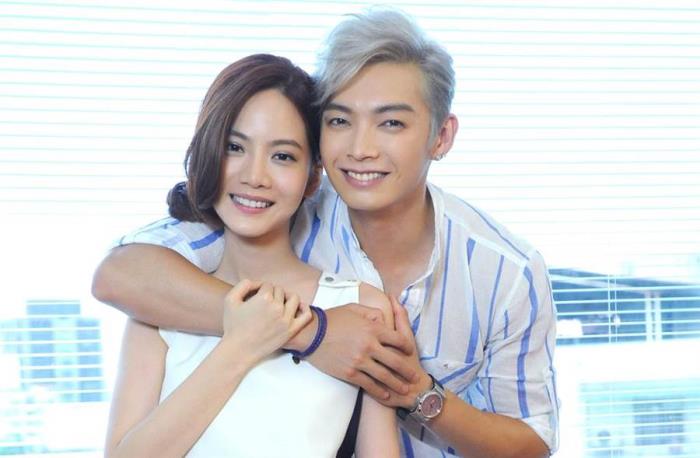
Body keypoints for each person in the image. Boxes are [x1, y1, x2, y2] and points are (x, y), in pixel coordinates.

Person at [94, 9, 559, 457]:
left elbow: (531, 440)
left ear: (441, 136)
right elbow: (122, 273)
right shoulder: (262, 213)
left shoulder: (505, 273)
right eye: (339, 121)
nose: (360, 148)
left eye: (391, 123)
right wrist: (309, 331)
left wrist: (415, 390)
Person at [102, 54, 400, 457]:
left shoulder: (361, 308)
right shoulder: (157, 306)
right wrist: (242, 344)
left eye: (282, 156)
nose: (254, 176)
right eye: (234, 147)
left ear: (313, 176)